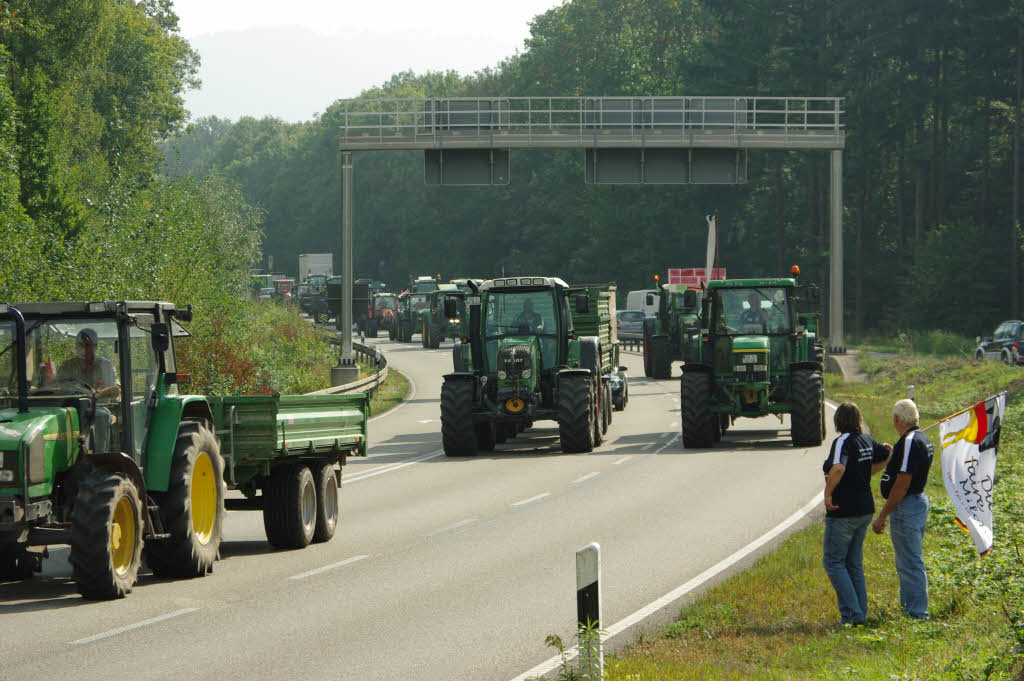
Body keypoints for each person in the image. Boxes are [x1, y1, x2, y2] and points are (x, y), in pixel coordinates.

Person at [822, 402, 892, 625]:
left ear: (838, 421)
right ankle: (858, 613)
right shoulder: (866, 440)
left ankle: (853, 614)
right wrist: (887, 454)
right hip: (864, 510)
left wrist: (828, 494)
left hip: (844, 511)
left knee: (833, 562)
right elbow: (884, 455)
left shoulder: (842, 441)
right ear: (859, 419)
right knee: (853, 563)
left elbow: (838, 468)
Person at [872, 398, 935, 620]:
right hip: (915, 502)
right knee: (906, 560)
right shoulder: (922, 439)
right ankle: (909, 608)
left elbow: (903, 481)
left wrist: (882, 515)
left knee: (910, 561)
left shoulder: (909, 442)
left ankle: (917, 613)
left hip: (907, 505)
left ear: (897, 419)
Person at [57, 328, 120, 453]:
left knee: (101, 416)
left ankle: (101, 457)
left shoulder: (105, 365)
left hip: (99, 406)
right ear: (76, 346)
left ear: (95, 346)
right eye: (81, 345)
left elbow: (116, 390)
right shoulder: (67, 366)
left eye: (88, 345)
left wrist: (97, 394)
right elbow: (59, 388)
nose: (84, 349)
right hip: (72, 408)